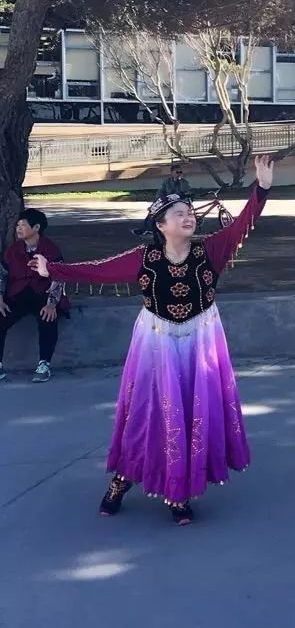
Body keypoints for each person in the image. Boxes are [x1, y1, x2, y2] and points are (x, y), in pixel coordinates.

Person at [30, 155, 274, 525]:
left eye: (190, 211)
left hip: (201, 339)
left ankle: (180, 491)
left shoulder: (210, 251)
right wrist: (54, 270)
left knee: (192, 412)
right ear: (161, 225)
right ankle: (123, 479)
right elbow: (97, 271)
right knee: (148, 411)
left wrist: (263, 189)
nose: (188, 216)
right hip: (156, 341)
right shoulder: (144, 258)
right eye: (178, 213)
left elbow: (243, 224)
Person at [0, 209, 69, 383]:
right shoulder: (13, 250)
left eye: (22, 225)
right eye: (17, 225)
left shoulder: (50, 249)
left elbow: (59, 277)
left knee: (48, 318)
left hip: (43, 295)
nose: (18, 229)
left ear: (36, 227)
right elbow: (2, 274)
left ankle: (44, 364)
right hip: (18, 295)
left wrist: (52, 303)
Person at [132, 164, 193, 237]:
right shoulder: (167, 182)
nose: (179, 174)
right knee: (153, 210)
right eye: (177, 172)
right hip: (167, 201)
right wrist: (156, 202)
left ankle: (150, 229)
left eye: (180, 172)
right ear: (172, 172)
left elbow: (187, 192)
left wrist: (180, 184)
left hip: (179, 202)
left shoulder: (184, 182)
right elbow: (160, 192)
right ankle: (145, 229)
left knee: (161, 211)